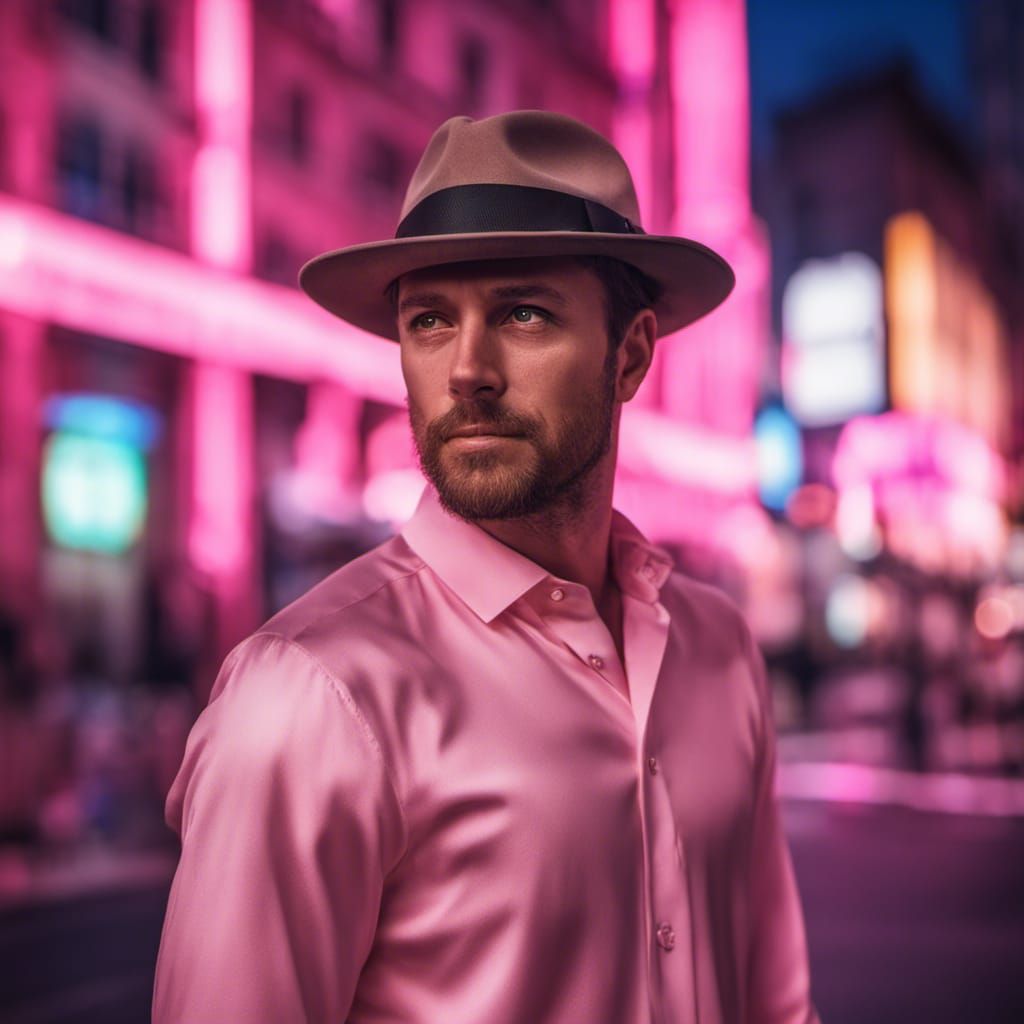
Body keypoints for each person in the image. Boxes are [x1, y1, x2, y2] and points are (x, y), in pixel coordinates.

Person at [153, 110, 820, 1024]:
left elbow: (778, 1003)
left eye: (523, 313)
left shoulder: (720, 650)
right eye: (429, 320)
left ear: (629, 356)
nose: (467, 369)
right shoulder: (310, 698)